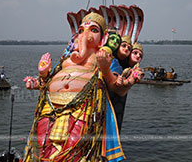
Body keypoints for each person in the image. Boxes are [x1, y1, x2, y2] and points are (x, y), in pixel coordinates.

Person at [23, 12, 126, 162]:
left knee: (73, 150)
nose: (86, 34)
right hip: (50, 108)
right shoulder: (66, 59)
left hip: (81, 109)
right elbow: (46, 83)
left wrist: (105, 69)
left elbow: (118, 88)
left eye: (94, 30)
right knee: (43, 147)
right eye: (81, 31)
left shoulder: (106, 59)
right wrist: (42, 75)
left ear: (103, 39)